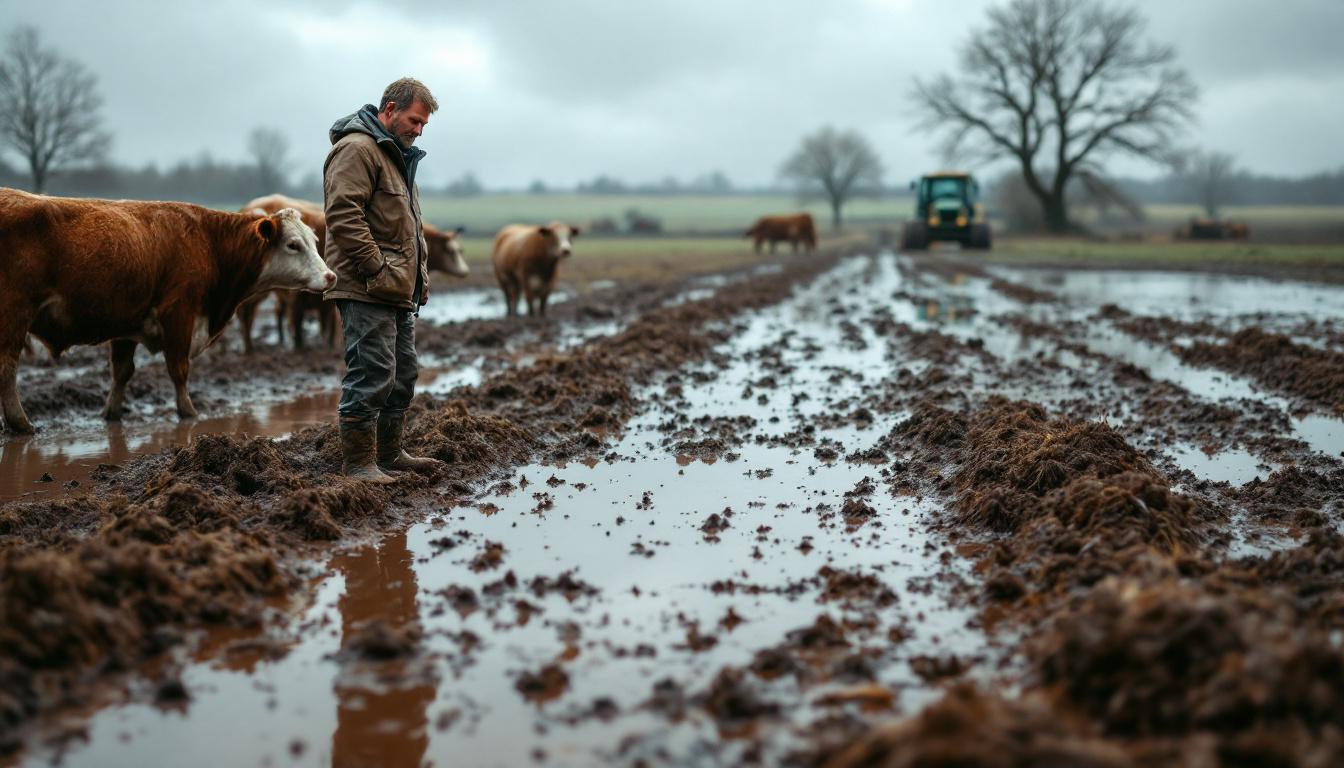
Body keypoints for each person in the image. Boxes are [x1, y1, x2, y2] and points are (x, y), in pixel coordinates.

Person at [323, 77, 444, 482]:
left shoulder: (397, 157)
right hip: (366, 286)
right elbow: (343, 216)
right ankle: (358, 463)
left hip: (395, 288)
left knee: (403, 373)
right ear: (389, 109)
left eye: (424, 125)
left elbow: (410, 227)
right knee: (372, 372)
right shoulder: (357, 149)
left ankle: (390, 455)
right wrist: (377, 269)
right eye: (414, 120)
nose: (418, 130)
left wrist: (418, 277)